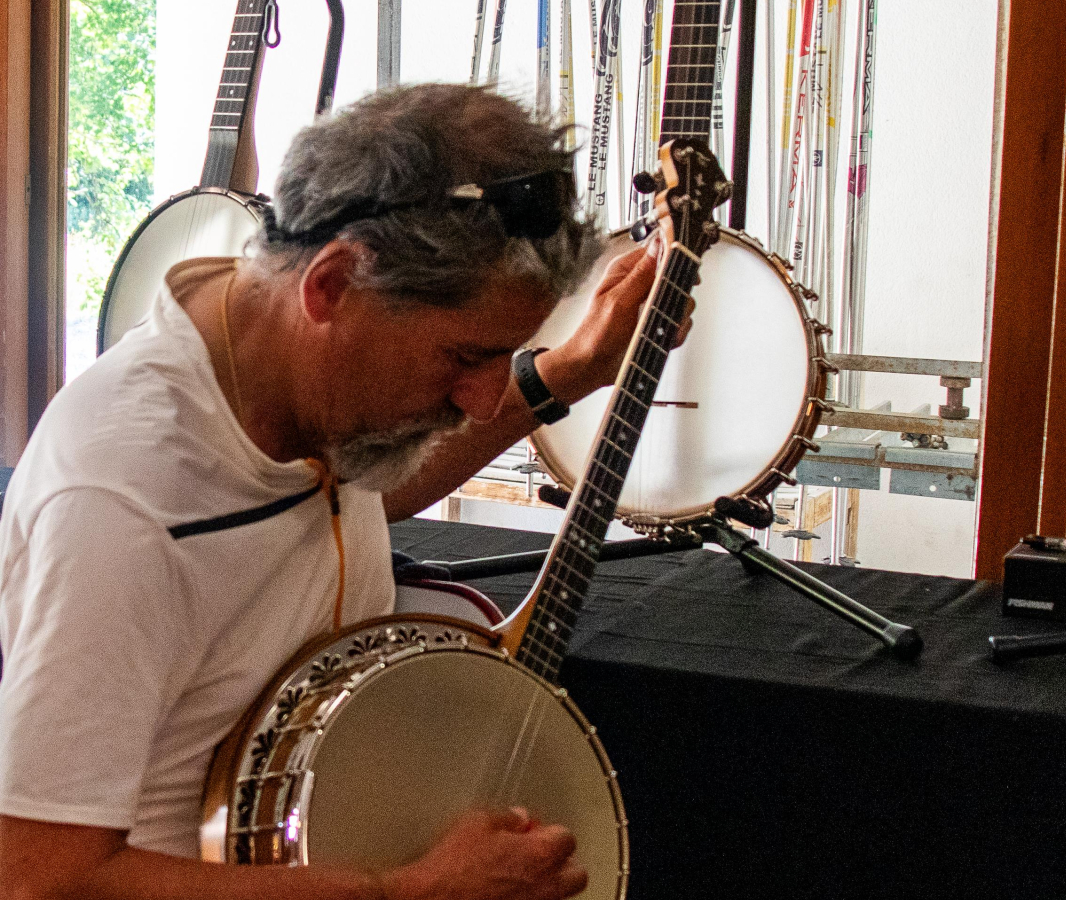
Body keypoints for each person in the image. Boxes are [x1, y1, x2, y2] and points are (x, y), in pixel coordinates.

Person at [0, 83, 684, 899]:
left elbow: (370, 490)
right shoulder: (124, 504)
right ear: (330, 284)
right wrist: (411, 891)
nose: (481, 398)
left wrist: (573, 371)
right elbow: (40, 877)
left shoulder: (293, 373)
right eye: (463, 356)